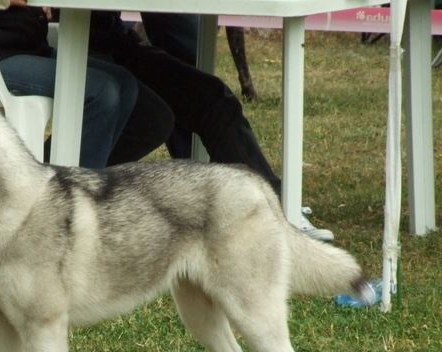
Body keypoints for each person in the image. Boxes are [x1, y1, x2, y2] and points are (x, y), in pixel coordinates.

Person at [99, 11, 333, 241]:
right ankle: (86, 198)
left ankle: (277, 210)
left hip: (117, 38)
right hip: (79, 38)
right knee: (152, 115)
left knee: (211, 97)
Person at [0, 0, 173, 169]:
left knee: (125, 86)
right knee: (101, 91)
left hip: (19, 44)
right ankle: (69, 203)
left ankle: (39, 179)